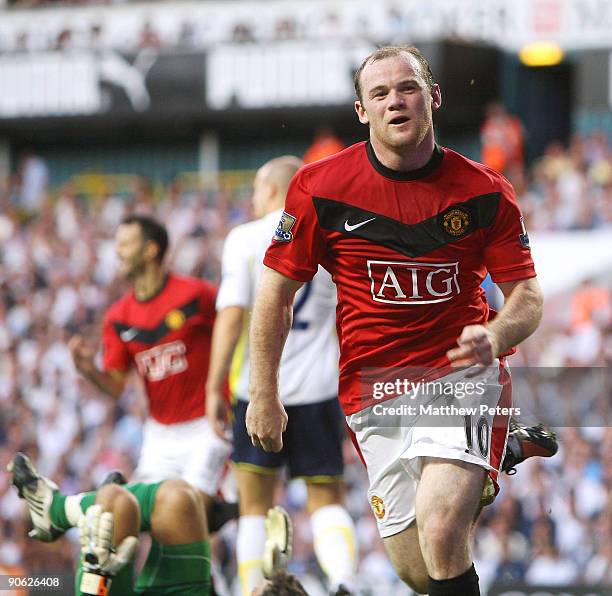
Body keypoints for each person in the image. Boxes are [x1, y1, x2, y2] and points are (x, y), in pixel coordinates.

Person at [246, 46, 549, 595]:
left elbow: (527, 295)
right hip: (374, 389)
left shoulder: (484, 190)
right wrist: (262, 390)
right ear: (362, 111)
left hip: (461, 376)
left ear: (432, 98)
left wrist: (495, 334)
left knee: (440, 528)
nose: (395, 102)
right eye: (379, 93)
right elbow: (275, 293)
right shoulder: (320, 187)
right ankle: (496, 449)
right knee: (417, 569)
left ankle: (486, 441)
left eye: (407, 88)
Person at [206, 156, 358, 596]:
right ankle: (344, 580)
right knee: (326, 499)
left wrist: (214, 383)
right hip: (318, 388)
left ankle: (255, 590)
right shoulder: (329, 237)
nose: (252, 198)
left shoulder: (245, 239)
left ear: (273, 189)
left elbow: (232, 315)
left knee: (254, 505)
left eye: (256, 188)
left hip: (255, 390)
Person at [68, 214, 234, 529]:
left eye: (126, 244)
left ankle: (218, 513)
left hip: (207, 425)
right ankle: (220, 520)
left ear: (150, 250)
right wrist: (89, 369)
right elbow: (116, 386)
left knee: (187, 514)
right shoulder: (118, 317)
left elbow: (233, 328)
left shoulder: (196, 295)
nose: (118, 252)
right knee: (143, 518)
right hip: (160, 435)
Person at [8, 452, 211, 595]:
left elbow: (24, 583)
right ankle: (59, 513)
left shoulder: (23, 578)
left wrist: (97, 577)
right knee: (179, 498)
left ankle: (60, 513)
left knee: (112, 503)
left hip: (98, 586)